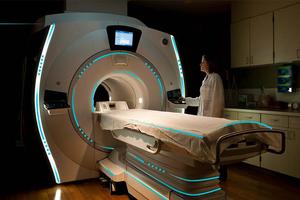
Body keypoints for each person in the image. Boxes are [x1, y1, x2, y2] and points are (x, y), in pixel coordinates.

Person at [184, 54, 227, 181]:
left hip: (211, 121)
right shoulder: (206, 79)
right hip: (203, 120)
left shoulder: (215, 78)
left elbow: (217, 102)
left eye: (202, 61)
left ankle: (221, 174)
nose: (200, 64)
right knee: (208, 149)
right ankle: (209, 174)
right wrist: (185, 100)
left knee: (215, 148)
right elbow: (201, 101)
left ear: (208, 63)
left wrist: (213, 123)